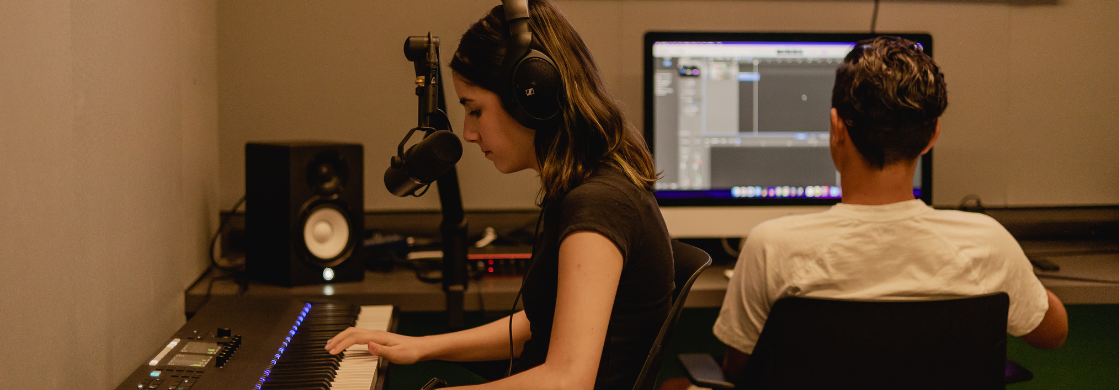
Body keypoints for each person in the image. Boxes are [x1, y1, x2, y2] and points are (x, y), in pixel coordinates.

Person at [326, 1, 675, 389]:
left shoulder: (598, 207)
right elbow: (540, 323)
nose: (468, 133)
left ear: (533, 97)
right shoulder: (588, 189)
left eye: (475, 110)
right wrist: (422, 346)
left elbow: (567, 379)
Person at [710, 36, 1069, 382]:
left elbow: (739, 370)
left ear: (836, 129)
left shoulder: (771, 246)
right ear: (932, 136)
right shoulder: (987, 243)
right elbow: (1052, 333)